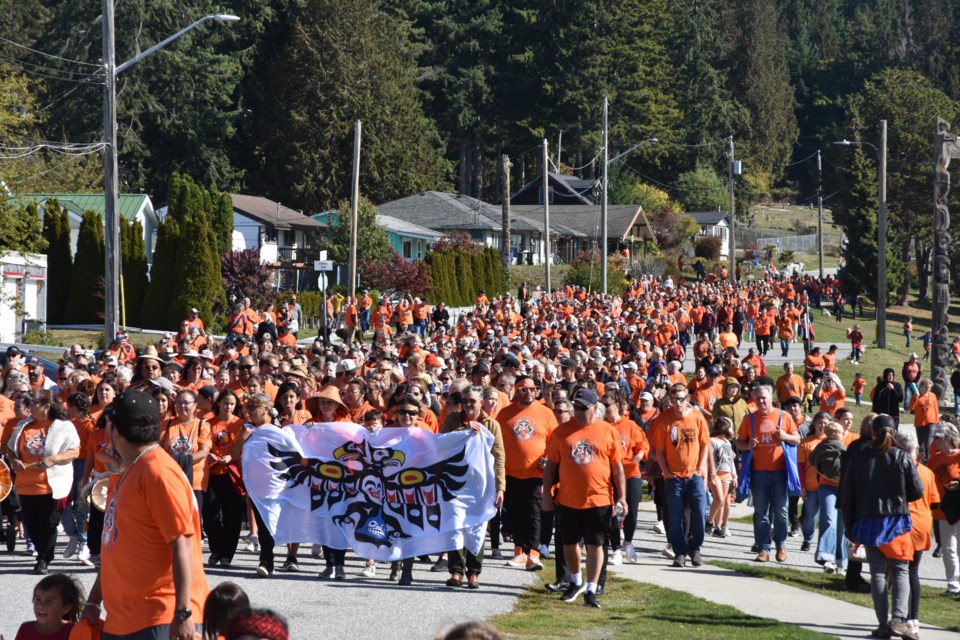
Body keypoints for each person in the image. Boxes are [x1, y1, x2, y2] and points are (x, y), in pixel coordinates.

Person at [82, 390, 209, 640]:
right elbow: (115, 544)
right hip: (124, 620)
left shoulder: (157, 471)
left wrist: (183, 614)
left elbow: (182, 543)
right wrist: (94, 602)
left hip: (159, 618)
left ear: (115, 430)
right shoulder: (134, 468)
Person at [543, 388, 627, 608]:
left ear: (594, 408)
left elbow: (617, 468)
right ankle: (575, 580)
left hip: (599, 498)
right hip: (568, 498)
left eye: (582, 408)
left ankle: (591, 589)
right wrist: (546, 495)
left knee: (595, 543)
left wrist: (623, 497)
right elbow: (551, 466)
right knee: (569, 543)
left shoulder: (607, 431)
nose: (577, 412)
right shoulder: (562, 432)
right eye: (575, 407)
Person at [841, 414, 923, 640]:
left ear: (872, 432)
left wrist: (850, 525)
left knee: (876, 572)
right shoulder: (902, 456)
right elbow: (917, 491)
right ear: (894, 432)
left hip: (867, 519)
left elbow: (848, 493)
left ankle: (882, 624)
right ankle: (897, 620)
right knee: (900, 571)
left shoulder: (859, 457)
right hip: (896, 520)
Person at [7, 390, 80, 574]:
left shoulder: (64, 426)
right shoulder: (24, 425)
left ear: (46, 406)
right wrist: (14, 460)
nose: (29, 407)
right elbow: (10, 449)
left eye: (33, 404)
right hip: (26, 486)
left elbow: (74, 452)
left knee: (48, 524)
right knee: (32, 525)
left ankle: (43, 559)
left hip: (52, 485)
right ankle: (43, 552)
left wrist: (54, 459)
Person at [440, 386, 506, 590]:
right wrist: (466, 431)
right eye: (465, 400)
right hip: (455, 483)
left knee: (476, 528)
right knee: (455, 526)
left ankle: (473, 572)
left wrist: (500, 487)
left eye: (473, 401)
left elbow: (499, 457)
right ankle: (456, 571)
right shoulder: (453, 420)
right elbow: (441, 443)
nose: (469, 405)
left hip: (481, 486)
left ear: (481, 402)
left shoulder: (492, 424)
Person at [495, 375, 557, 571]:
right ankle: (519, 552)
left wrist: (548, 459)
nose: (528, 392)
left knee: (533, 514)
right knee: (515, 513)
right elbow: (496, 442)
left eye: (532, 389)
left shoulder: (546, 413)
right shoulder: (505, 414)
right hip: (511, 473)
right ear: (516, 390)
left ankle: (533, 554)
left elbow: (554, 441)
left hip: (536, 473)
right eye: (524, 389)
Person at [736, 384, 800, 563]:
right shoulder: (749, 419)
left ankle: (781, 544)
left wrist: (785, 437)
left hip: (779, 472)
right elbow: (739, 441)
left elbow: (797, 439)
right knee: (760, 512)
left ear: (771, 397)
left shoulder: (783, 416)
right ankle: (763, 548)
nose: (761, 401)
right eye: (757, 398)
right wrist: (747, 446)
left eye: (764, 397)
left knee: (781, 510)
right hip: (758, 473)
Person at [650, 383, 710, 567]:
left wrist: (700, 469)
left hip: (694, 476)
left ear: (687, 399)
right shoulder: (664, 421)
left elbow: (705, 445)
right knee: (675, 518)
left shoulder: (698, 419)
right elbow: (658, 451)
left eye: (681, 399)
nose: (677, 403)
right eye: (674, 399)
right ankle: (679, 552)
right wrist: (666, 472)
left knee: (699, 514)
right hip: (674, 478)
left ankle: (695, 549)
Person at [893, 428, 939, 638]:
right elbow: (934, 500)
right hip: (922, 524)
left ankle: (901, 618)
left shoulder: (895, 468)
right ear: (917, 449)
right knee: (913, 572)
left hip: (903, 524)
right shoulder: (927, 472)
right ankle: (914, 618)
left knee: (900, 572)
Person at [928, 422, 960, 596]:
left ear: (948, 438)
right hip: (942, 510)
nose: (934, 441)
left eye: (938, 438)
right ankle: (953, 586)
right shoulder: (935, 458)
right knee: (947, 549)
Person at [15, 573, 86, 640]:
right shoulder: (25, 629)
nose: (40, 605)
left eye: (49, 601)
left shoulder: (74, 631)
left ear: (66, 607)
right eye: (38, 599)